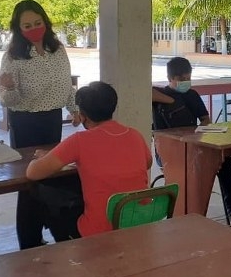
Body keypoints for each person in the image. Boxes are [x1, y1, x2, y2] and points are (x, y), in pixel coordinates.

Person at [0, 0, 81, 249]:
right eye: (27, 25)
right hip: (25, 122)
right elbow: (7, 99)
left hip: (53, 120)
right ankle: (29, 240)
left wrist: (74, 108)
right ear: (18, 29)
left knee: (52, 177)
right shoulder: (13, 56)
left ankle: (56, 231)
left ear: (45, 22)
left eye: (37, 23)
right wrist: (8, 89)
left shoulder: (58, 50)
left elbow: (67, 83)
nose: (33, 28)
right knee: (30, 183)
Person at [26, 81, 151, 238]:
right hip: (141, 222)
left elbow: (33, 173)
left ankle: (46, 246)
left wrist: (40, 158)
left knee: (39, 189)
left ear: (83, 115)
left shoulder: (79, 141)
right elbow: (147, 163)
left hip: (100, 230)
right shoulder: (134, 135)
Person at [151, 56, 231, 225]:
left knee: (224, 158)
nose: (186, 82)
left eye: (188, 78)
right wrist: (172, 100)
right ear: (170, 78)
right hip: (168, 151)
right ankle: (189, 213)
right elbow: (142, 89)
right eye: (181, 79)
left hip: (193, 145)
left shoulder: (192, 95)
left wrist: (206, 128)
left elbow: (205, 119)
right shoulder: (160, 94)